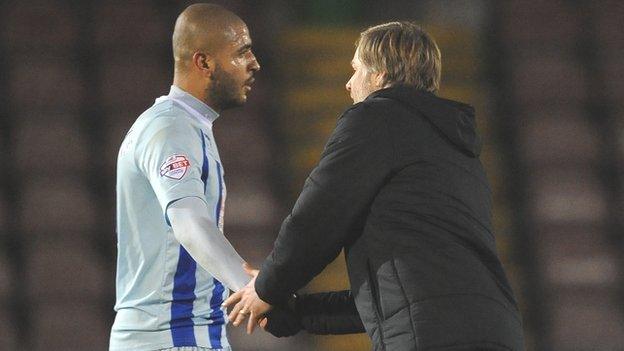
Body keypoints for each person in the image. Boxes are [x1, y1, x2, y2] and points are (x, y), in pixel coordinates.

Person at [224, 21, 525, 351]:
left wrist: (266, 289)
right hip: (498, 332)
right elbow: (395, 299)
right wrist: (296, 312)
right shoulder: (459, 154)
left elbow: (317, 219)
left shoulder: (376, 119)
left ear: (380, 73)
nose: (349, 84)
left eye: (356, 69)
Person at [109, 3, 260, 351]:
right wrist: (247, 287)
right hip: (171, 336)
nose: (254, 64)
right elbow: (189, 222)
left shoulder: (187, 125)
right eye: (241, 52)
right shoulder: (171, 128)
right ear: (203, 62)